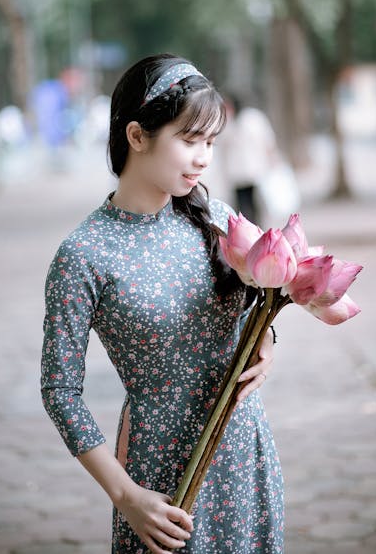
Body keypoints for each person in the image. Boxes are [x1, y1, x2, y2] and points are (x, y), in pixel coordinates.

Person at [41, 54, 284, 553]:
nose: (204, 158)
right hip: (161, 476)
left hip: (244, 451)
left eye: (211, 142)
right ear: (136, 136)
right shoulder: (84, 254)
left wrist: (266, 340)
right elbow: (59, 390)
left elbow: (259, 302)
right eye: (189, 140)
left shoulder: (214, 217)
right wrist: (127, 495)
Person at [219, 94, 278, 226]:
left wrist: (272, 159)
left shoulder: (253, 119)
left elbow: (267, 141)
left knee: (256, 203)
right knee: (242, 205)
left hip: (253, 170)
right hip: (238, 173)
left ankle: (256, 228)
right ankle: (246, 230)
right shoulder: (226, 122)